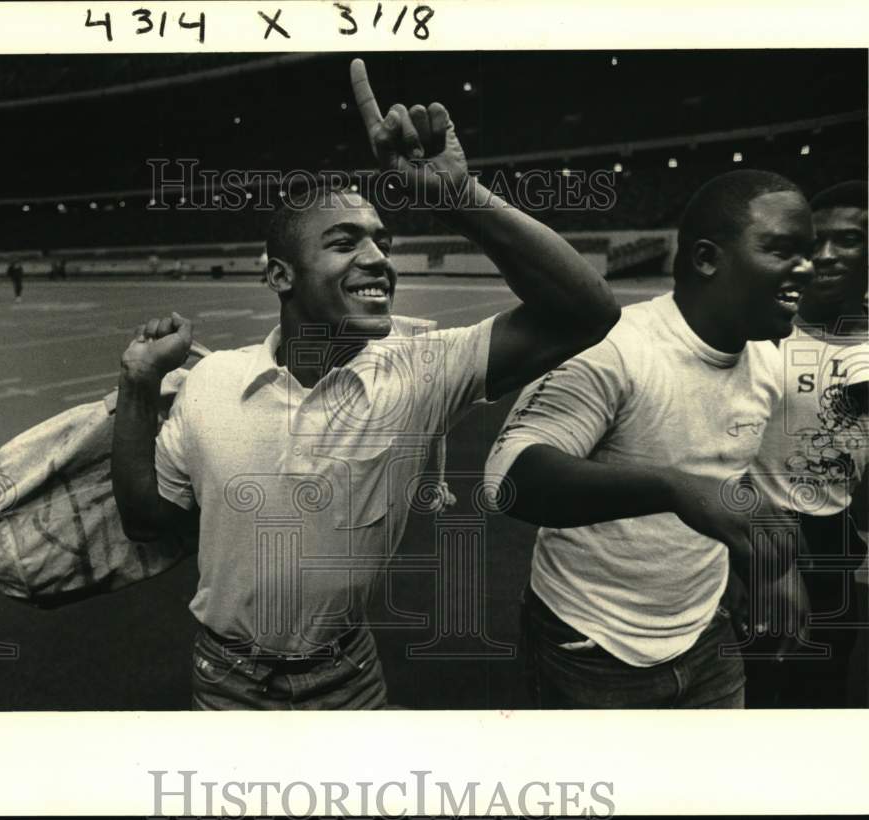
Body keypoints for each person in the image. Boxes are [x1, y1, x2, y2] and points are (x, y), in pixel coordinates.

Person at [111, 59, 620, 710]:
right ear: (279, 277)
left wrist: (457, 198)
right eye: (345, 242)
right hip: (226, 679)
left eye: (382, 241)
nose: (378, 259)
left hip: (348, 675)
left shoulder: (419, 371)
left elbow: (588, 313)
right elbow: (148, 521)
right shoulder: (212, 380)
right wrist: (136, 382)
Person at [484, 169, 816, 709]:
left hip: (707, 632)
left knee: (709, 795)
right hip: (592, 643)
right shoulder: (614, 346)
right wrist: (671, 487)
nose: (807, 267)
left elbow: (734, 471)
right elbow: (510, 476)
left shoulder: (768, 356)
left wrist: (775, 571)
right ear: (708, 259)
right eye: (782, 249)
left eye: (809, 250)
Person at [746, 180, 868, 707]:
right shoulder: (752, 332)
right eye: (815, 240)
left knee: (823, 694)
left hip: (830, 538)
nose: (826, 255)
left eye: (848, 240)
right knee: (746, 692)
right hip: (746, 531)